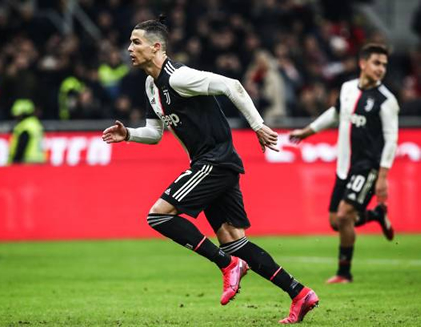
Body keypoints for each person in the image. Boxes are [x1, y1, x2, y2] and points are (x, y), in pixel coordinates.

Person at [102, 16, 319, 324]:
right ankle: (299, 293)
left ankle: (226, 264)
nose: (129, 48)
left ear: (156, 47)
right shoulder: (152, 85)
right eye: (130, 42)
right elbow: (156, 134)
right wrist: (129, 135)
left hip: (213, 161)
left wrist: (257, 126)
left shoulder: (179, 77)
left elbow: (232, 85)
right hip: (215, 163)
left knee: (158, 215)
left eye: (136, 42)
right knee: (234, 241)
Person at [289, 43, 399, 284]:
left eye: (384, 65)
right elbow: (336, 113)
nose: (381, 69)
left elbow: (392, 139)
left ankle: (344, 273)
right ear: (363, 63)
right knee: (336, 221)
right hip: (344, 166)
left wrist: (382, 177)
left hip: (368, 166)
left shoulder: (386, 100)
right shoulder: (348, 88)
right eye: (376, 63)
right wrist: (309, 131)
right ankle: (376, 215)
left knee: (344, 214)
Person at [8, 99, 47, 164]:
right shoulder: (35, 124)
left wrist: (15, 161)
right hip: (39, 162)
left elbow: (21, 147)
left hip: (27, 163)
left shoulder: (25, 126)